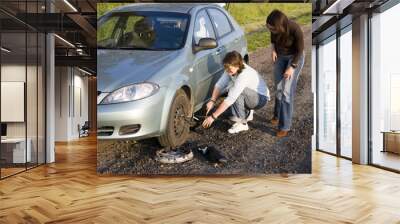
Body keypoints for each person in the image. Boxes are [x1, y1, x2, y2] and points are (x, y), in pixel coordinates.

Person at [202, 51, 270, 134]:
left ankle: (243, 124)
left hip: (261, 99)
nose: (227, 71)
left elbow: (230, 99)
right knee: (232, 88)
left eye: (229, 69)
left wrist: (213, 117)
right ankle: (247, 113)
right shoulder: (230, 69)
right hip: (252, 95)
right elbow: (219, 85)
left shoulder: (244, 75)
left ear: (237, 65)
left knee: (233, 90)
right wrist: (212, 101)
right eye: (226, 69)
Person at [266, 9, 305, 137]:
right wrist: (273, 50)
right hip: (280, 56)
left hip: (294, 58)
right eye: (269, 28)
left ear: (280, 26)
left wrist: (292, 67)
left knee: (286, 92)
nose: (271, 31)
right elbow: (273, 39)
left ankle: (285, 126)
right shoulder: (274, 30)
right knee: (278, 88)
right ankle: (277, 115)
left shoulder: (294, 28)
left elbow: (300, 51)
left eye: (272, 28)